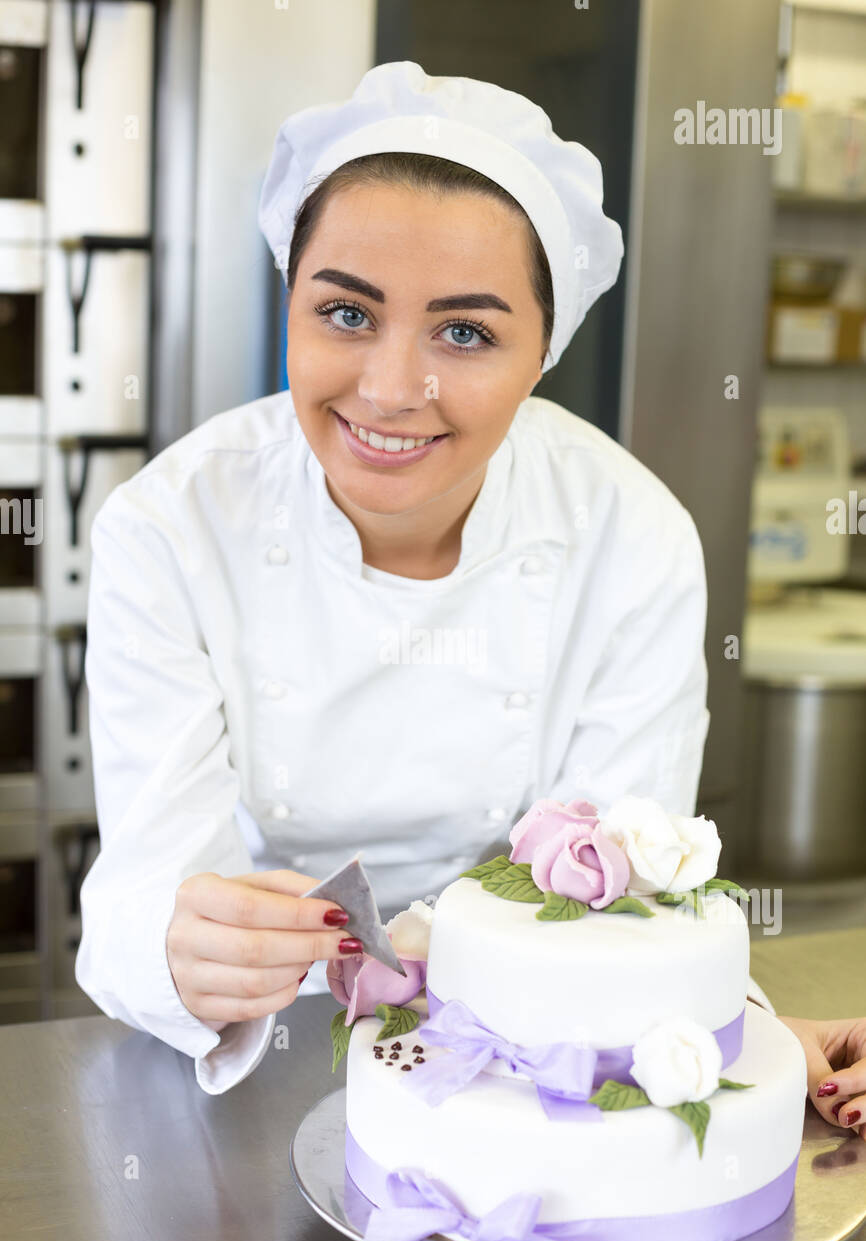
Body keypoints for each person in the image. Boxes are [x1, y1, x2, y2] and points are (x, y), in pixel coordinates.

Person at [77, 62, 865, 1137]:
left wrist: (740, 1036)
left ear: (544, 350)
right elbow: (139, 892)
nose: (392, 388)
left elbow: (624, 896)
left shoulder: (628, 538)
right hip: (261, 1044)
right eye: (345, 311)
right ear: (290, 302)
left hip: (537, 1059)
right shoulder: (168, 528)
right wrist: (179, 947)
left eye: (464, 333)